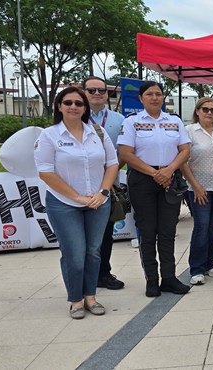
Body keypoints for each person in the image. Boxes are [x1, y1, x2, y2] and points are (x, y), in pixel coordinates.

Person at [35, 87, 118, 318]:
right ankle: (76, 300)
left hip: (98, 202)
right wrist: (79, 197)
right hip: (64, 203)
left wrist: (102, 192)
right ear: (59, 106)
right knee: (74, 252)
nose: (73, 107)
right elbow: (45, 172)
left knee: (93, 252)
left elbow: (112, 164)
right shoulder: (49, 135)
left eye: (79, 103)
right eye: (68, 102)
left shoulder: (97, 132)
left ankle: (91, 297)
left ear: (85, 108)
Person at [119, 81, 191, 297]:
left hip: (170, 179)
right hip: (143, 181)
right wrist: (155, 173)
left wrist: (168, 170)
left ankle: (169, 277)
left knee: (168, 232)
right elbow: (125, 153)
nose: (154, 98)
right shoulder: (132, 122)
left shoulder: (174, 121)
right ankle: (152, 280)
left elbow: (185, 150)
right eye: (149, 94)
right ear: (141, 98)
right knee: (148, 233)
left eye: (158, 94)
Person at [179, 97, 213, 285]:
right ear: (197, 111)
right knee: (201, 227)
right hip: (198, 188)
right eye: (206, 109)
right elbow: (182, 161)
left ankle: (209, 263)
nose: (210, 113)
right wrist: (196, 186)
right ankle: (196, 268)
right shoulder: (189, 132)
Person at [82, 76, 126, 291]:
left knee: (106, 233)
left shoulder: (119, 120)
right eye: (91, 90)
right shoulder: (75, 116)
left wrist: (113, 172)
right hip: (79, 186)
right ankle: (82, 274)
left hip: (108, 187)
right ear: (84, 92)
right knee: (80, 235)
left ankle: (104, 273)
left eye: (101, 90)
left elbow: (125, 151)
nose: (97, 93)